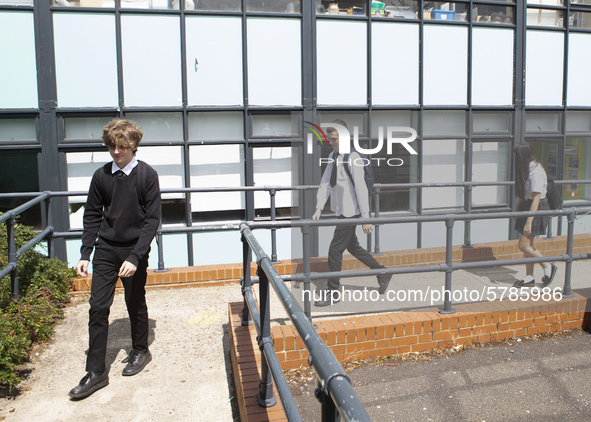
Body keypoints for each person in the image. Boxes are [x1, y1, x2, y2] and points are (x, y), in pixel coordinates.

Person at [69, 119, 161, 399]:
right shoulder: (101, 176)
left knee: (134, 301)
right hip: (106, 249)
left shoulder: (146, 175)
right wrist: (86, 253)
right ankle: (96, 372)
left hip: (135, 249)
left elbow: (152, 220)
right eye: (112, 146)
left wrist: (135, 256)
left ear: (134, 145)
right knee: (97, 308)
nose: (116, 151)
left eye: (122, 146)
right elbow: (92, 215)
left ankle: (141, 350)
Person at [312, 119, 392, 307]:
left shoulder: (353, 157)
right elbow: (325, 182)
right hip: (341, 210)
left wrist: (365, 219)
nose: (331, 143)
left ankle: (333, 292)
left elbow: (362, 190)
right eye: (330, 139)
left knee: (334, 250)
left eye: (334, 139)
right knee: (352, 247)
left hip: (352, 212)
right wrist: (319, 207)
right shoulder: (333, 155)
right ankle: (383, 272)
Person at [512, 142, 557, 288]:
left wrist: (529, 221)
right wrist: (517, 208)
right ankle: (529, 276)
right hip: (527, 205)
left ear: (521, 156)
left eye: (516, 156)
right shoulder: (524, 168)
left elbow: (537, 198)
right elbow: (522, 191)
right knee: (528, 245)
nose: (514, 158)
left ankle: (548, 265)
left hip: (536, 208)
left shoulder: (536, 171)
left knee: (523, 245)